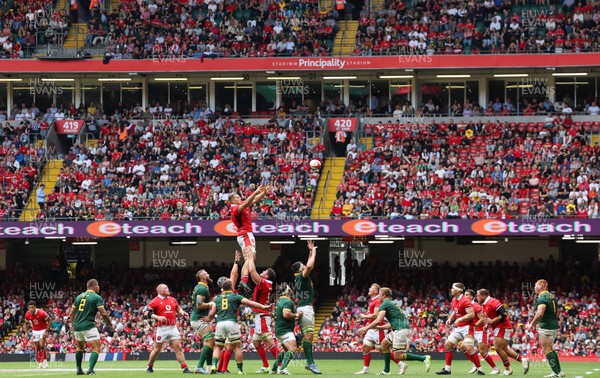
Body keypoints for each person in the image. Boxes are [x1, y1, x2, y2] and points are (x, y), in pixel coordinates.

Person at [358, 287, 431, 375]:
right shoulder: (392, 303)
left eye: (380, 295)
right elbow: (390, 325)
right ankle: (386, 371)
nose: (379, 296)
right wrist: (377, 328)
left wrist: (366, 328)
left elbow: (378, 320)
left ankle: (423, 358)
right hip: (399, 328)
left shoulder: (385, 304)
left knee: (398, 356)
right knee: (384, 344)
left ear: (384, 295)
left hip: (400, 330)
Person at [208, 278, 271, 374]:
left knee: (218, 347)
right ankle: (240, 370)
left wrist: (208, 319)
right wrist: (263, 307)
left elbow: (212, 314)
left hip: (220, 323)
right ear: (231, 287)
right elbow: (250, 303)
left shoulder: (217, 298)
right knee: (237, 347)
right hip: (231, 323)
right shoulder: (235, 296)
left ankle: (214, 365)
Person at [229, 184, 270, 296]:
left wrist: (264, 193)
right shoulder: (235, 208)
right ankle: (244, 280)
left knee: (250, 257)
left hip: (245, 235)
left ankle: (244, 280)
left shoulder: (240, 205)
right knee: (250, 256)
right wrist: (256, 191)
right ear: (232, 200)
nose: (239, 198)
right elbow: (247, 202)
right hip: (245, 234)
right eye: (237, 197)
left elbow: (254, 200)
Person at [478, 289, 529, 376]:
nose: (477, 297)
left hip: (503, 326)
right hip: (499, 327)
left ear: (483, 296)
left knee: (498, 348)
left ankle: (508, 369)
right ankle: (522, 360)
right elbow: (491, 318)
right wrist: (488, 325)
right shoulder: (484, 305)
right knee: (504, 349)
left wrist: (492, 321)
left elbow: (504, 313)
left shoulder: (493, 302)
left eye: (477, 295)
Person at [69, 278, 114, 376]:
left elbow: (71, 313)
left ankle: (79, 369)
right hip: (88, 326)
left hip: (77, 327)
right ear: (94, 286)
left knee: (79, 347)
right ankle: (90, 370)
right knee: (96, 347)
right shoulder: (96, 297)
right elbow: (104, 313)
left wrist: (73, 325)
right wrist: (110, 324)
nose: (98, 287)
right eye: (97, 285)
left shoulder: (78, 297)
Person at [436, 282, 482, 375]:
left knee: (469, 347)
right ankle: (447, 369)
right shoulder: (454, 299)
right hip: (459, 327)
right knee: (448, 344)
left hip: (468, 326)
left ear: (458, 290)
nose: (451, 290)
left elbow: (472, 315)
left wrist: (460, 319)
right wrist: (450, 319)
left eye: (453, 288)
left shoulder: (465, 301)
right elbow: (455, 311)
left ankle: (480, 369)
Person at [245, 254, 281, 373]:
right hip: (259, 316)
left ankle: (281, 365)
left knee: (269, 342)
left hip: (262, 316)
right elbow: (252, 273)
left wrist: (250, 258)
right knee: (256, 342)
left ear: (267, 275)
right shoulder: (265, 283)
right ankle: (266, 366)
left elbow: (252, 271)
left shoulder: (265, 283)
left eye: (265, 271)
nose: (263, 271)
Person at [145, 284, 193, 374]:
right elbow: (146, 312)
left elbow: (177, 308)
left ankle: (185, 368)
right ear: (160, 291)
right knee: (157, 350)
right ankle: (150, 366)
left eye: (167, 287)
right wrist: (158, 318)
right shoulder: (155, 301)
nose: (168, 289)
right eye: (165, 288)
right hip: (161, 328)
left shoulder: (172, 299)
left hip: (172, 327)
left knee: (178, 347)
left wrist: (182, 312)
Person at [355, 283, 400, 375]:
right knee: (365, 347)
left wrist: (364, 317)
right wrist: (363, 321)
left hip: (379, 328)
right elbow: (372, 316)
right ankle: (365, 369)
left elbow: (376, 315)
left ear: (376, 291)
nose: (369, 288)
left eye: (371, 288)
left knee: (383, 350)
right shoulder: (372, 301)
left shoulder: (378, 301)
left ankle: (400, 364)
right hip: (372, 328)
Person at [291, 240, 321, 374]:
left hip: (305, 308)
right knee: (308, 336)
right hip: (305, 309)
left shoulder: (298, 277)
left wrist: (310, 250)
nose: (305, 266)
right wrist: (314, 252)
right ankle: (310, 362)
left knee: (308, 336)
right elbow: (309, 266)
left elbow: (307, 265)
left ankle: (310, 362)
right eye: (303, 266)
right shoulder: (302, 276)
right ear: (301, 269)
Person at [526, 280, 563, 377]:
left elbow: (540, 313)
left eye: (535, 285)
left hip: (546, 327)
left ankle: (556, 373)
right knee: (549, 348)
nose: (534, 288)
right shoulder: (552, 296)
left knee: (547, 349)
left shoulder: (542, 297)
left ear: (541, 286)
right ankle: (559, 371)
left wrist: (531, 324)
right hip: (553, 325)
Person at [462, 289, 498, 374]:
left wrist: (474, 326)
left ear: (471, 297)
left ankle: (495, 368)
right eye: (464, 294)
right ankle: (475, 365)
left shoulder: (476, 306)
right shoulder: (467, 306)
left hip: (481, 330)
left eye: (467, 295)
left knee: (482, 351)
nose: (465, 296)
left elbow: (482, 319)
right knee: (463, 346)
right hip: (473, 330)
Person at [269, 285, 303, 375]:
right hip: (285, 330)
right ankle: (283, 368)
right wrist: (296, 315)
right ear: (287, 291)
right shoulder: (288, 301)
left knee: (285, 351)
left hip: (279, 329)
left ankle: (273, 369)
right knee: (293, 348)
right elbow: (286, 314)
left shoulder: (279, 301)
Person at [191, 269, 216, 374]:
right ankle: (199, 366)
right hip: (198, 319)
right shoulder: (202, 288)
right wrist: (211, 304)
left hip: (199, 318)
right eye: (206, 273)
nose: (208, 273)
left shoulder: (202, 287)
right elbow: (199, 304)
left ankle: (209, 368)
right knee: (211, 341)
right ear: (202, 277)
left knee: (210, 342)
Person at [25, 301, 51, 369]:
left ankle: (45, 361)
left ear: (35, 307)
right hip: (35, 331)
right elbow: (26, 324)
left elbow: (50, 320)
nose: (31, 309)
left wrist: (46, 331)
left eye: (32, 307)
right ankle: (40, 363)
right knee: (37, 348)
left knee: (42, 345)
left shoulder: (41, 313)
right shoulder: (27, 314)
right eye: (29, 307)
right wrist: (26, 332)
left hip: (43, 330)